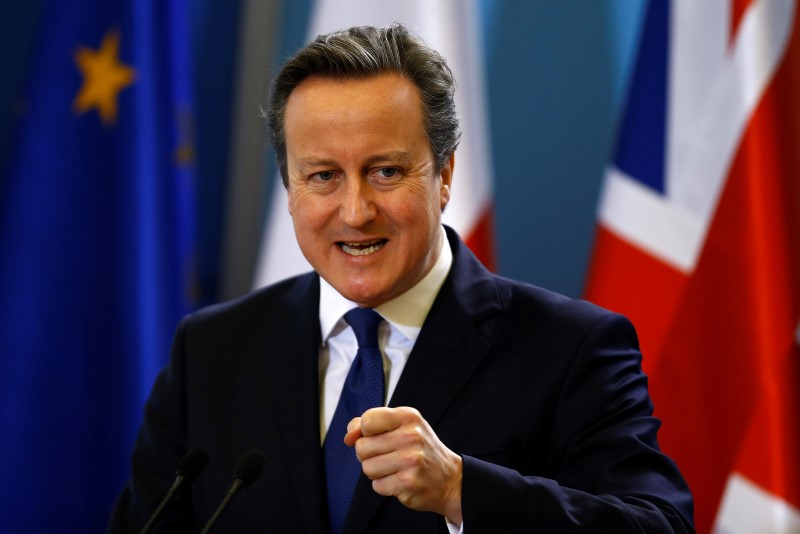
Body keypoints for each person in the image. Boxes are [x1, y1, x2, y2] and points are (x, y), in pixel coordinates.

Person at [109, 23, 694, 533]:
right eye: (322, 177)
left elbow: (659, 524)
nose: (356, 210)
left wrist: (463, 490)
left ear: (443, 175)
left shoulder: (570, 348)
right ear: (289, 188)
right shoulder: (212, 350)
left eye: (385, 171)